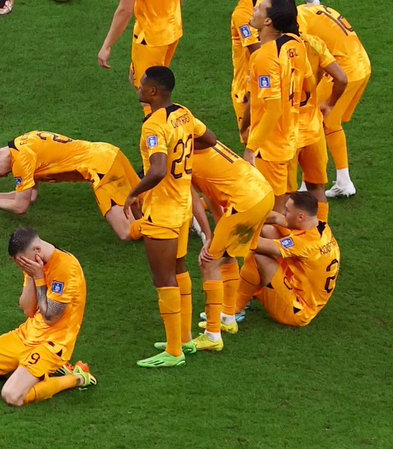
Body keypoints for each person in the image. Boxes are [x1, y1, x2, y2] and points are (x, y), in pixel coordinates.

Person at [130, 66, 216, 368]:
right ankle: (185, 337)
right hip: (182, 204)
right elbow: (211, 139)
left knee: (163, 278)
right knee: (179, 269)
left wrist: (132, 193)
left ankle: (174, 352)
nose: (139, 88)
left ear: (153, 91)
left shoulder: (153, 126)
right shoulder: (183, 113)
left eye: (142, 85)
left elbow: (156, 170)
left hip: (163, 211)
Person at [0, 227, 96, 406]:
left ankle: (77, 376)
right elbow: (28, 310)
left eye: (22, 262)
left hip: (53, 345)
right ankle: (26, 370)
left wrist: (38, 277)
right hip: (26, 335)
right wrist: (31, 276)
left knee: (12, 395)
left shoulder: (66, 268)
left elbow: (50, 317)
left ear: (36, 250)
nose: (22, 266)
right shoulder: (32, 263)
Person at [0, 131, 140, 240]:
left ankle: (163, 231)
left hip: (102, 168)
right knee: (144, 206)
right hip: (110, 153)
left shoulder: (21, 160)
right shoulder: (22, 144)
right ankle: (157, 224)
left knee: (126, 232)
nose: (5, 175)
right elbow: (29, 197)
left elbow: (20, 206)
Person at [187, 140, 275, 351]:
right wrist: (219, 231)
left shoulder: (182, 161)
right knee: (227, 255)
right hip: (263, 194)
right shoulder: (210, 146)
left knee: (209, 263)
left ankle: (212, 335)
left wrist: (208, 237)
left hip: (245, 203)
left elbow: (196, 202)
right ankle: (228, 318)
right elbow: (213, 193)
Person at [229, 192, 341, 328]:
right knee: (269, 230)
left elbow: (254, 243)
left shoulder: (305, 244)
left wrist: (231, 227)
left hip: (297, 311)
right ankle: (248, 293)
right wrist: (248, 216)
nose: (283, 212)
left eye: (287, 210)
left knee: (259, 256)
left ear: (300, 217)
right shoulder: (320, 227)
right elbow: (276, 218)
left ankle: (233, 310)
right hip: (307, 296)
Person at [296, 3, 371, 196]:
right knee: (330, 122)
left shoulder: (298, 23)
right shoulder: (307, 10)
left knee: (309, 120)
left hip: (345, 69)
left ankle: (308, 184)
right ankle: (344, 181)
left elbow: (309, 57)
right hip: (362, 64)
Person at [240, 0, 305, 207]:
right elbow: (310, 84)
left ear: (268, 21)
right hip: (290, 137)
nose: (255, 10)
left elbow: (274, 109)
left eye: (260, 9)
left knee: (269, 210)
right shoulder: (296, 44)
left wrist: (251, 148)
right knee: (284, 203)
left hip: (270, 147)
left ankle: (310, 239)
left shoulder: (264, 57)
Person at [289, 30, 348, 202]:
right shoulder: (314, 42)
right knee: (316, 186)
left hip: (286, 131)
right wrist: (330, 104)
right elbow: (342, 78)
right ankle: (321, 227)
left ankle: (285, 229)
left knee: (283, 191)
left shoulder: (272, 51)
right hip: (313, 129)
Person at [225, 0, 274, 141]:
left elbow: (256, 50)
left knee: (254, 144)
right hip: (277, 78)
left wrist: (252, 88)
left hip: (248, 86)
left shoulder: (242, 13)